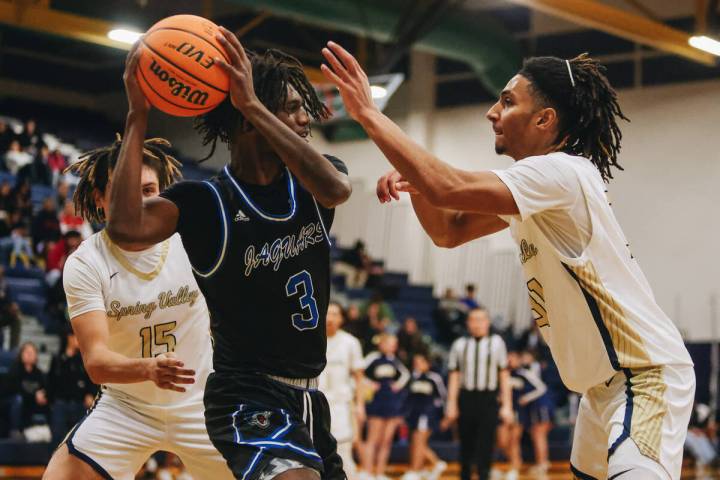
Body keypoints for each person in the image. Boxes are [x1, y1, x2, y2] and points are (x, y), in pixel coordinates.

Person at [323, 44, 695, 480]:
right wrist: (419, 186)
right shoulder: (536, 187)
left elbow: (448, 186)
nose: (491, 112)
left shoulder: (562, 173)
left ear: (544, 119)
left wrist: (369, 114)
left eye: (507, 100)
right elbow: (450, 231)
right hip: (600, 389)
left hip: (644, 376)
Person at [106, 29, 351, 480]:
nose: (305, 118)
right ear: (244, 119)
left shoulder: (317, 182)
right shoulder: (205, 202)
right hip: (245, 393)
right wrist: (138, 116)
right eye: (292, 107)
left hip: (310, 399)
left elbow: (337, 190)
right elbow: (124, 228)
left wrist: (253, 105)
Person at [42, 136, 233, 480]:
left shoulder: (193, 241)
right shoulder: (86, 262)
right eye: (122, 191)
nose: (137, 202)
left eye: (148, 190)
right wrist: (147, 369)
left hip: (203, 403)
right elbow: (97, 362)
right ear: (100, 199)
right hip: (127, 407)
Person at [443, 308, 512, 480]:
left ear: (488, 322)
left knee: (486, 443)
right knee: (466, 443)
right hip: (466, 398)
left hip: (488, 398)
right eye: (473, 320)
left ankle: (484, 475)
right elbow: (454, 376)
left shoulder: (497, 343)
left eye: (481, 319)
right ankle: (465, 475)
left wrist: (507, 406)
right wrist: (451, 404)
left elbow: (504, 375)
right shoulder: (459, 345)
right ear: (467, 323)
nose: (477, 323)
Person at [318, 302, 366, 480]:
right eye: (327, 313)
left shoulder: (351, 343)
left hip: (341, 407)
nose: (330, 318)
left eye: (335, 314)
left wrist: (360, 405)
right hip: (315, 404)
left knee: (343, 454)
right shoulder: (312, 340)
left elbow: (359, 377)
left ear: (341, 319)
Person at [362, 334, 410, 480]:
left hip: (392, 403)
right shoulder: (373, 357)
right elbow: (358, 371)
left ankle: (380, 472)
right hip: (376, 402)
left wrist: (398, 385)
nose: (392, 346)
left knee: (386, 440)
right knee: (373, 439)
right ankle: (368, 471)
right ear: (381, 343)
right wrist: (368, 383)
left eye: (394, 344)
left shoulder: (395, 360)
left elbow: (406, 375)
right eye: (389, 343)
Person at [502, 349, 547, 480]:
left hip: (518, 411)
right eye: (508, 357)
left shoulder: (524, 374)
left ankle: (515, 467)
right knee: (502, 440)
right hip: (502, 411)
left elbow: (541, 387)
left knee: (514, 439)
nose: (510, 360)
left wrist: (526, 398)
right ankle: (514, 463)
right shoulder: (501, 373)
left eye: (513, 357)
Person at [402, 353, 446, 480]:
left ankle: (415, 470)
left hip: (427, 415)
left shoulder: (434, 378)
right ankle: (430, 466)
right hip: (412, 415)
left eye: (421, 362)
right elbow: (407, 397)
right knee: (415, 443)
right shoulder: (411, 378)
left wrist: (443, 416)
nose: (417, 365)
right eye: (415, 362)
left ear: (427, 364)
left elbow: (443, 397)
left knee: (419, 442)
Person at [47, 329, 96, 444]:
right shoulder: (57, 359)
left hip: (79, 404)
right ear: (69, 338)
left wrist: (90, 394)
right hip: (61, 404)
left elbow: (92, 379)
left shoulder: (84, 358)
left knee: (80, 440)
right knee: (58, 439)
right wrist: (51, 400)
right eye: (76, 336)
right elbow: (51, 381)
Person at [7, 342, 50, 441]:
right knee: (18, 400)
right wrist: (33, 396)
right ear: (21, 354)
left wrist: (43, 396)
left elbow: (44, 389)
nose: (30, 355)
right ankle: (15, 430)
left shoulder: (39, 374)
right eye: (27, 352)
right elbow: (14, 390)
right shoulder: (15, 370)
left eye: (32, 352)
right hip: (18, 403)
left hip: (33, 404)